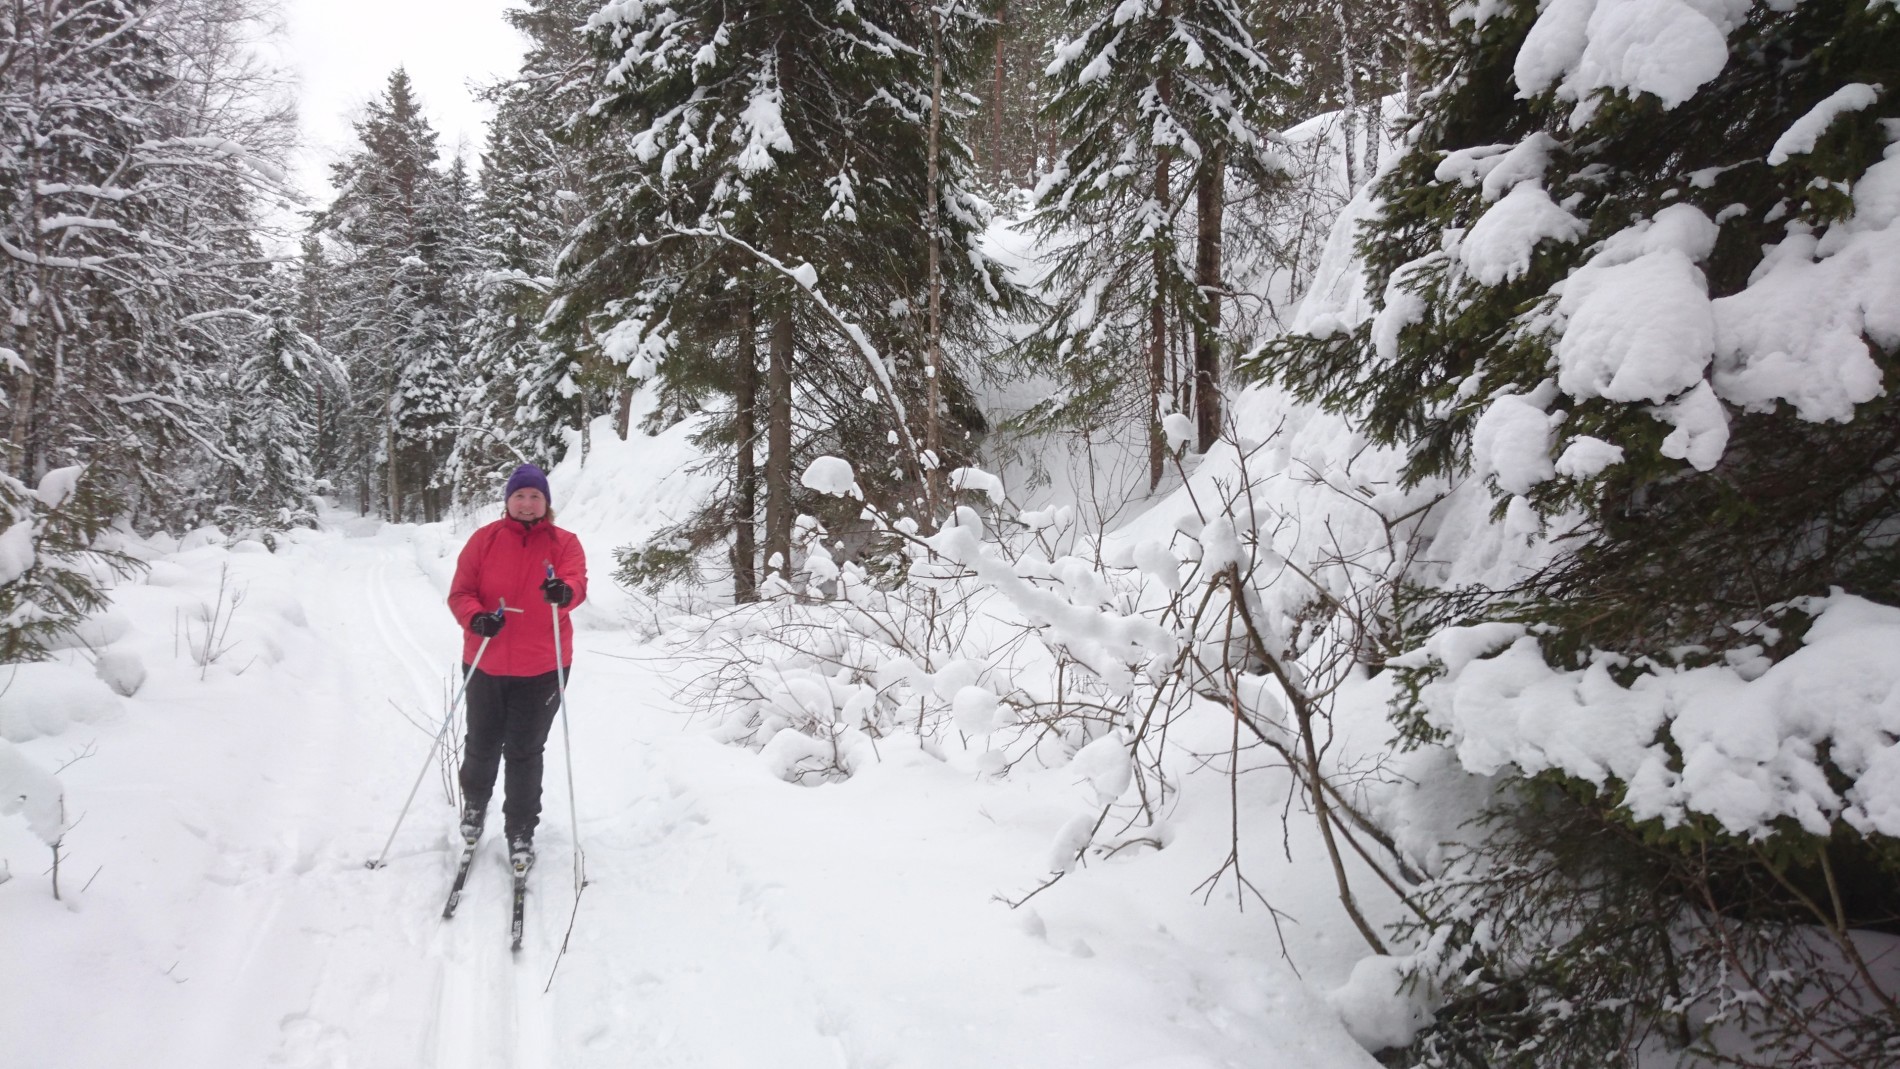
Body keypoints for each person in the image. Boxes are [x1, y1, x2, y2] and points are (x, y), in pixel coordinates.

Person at [447, 463, 587, 871]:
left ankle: (521, 828)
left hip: (544, 666)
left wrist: (564, 592)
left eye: (535, 497)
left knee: (526, 751)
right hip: (486, 659)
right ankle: (474, 807)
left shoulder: (565, 543)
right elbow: (460, 592)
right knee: (482, 743)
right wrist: (476, 618)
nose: (527, 504)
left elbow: (576, 582)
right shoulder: (484, 540)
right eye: (520, 496)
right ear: (508, 500)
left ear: (546, 503)